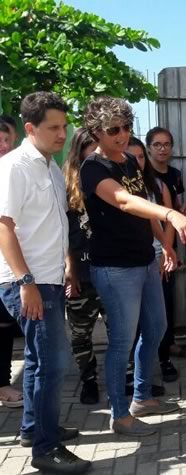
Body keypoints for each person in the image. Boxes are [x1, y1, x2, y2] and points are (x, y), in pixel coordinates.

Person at [80, 97, 186, 436]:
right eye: (113, 130)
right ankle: (119, 416)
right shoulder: (93, 168)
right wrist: (172, 214)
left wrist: (164, 245)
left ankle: (142, 397)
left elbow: (144, 207)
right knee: (121, 341)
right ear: (96, 132)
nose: (122, 135)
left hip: (146, 260)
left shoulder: (129, 162)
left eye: (126, 127)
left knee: (157, 328)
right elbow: (123, 200)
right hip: (116, 268)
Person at [0, 91, 91, 472]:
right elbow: (4, 228)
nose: (62, 133)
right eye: (53, 127)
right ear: (30, 128)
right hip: (28, 281)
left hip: (49, 278)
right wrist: (26, 281)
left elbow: (53, 225)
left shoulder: (51, 166)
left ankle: (35, 429)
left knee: (39, 360)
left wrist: (67, 264)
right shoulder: (15, 167)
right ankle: (46, 449)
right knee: (54, 363)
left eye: (64, 125)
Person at [125, 137, 175, 390]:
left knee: (160, 318)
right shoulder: (117, 188)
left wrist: (167, 251)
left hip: (157, 259)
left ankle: (164, 361)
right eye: (130, 156)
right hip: (131, 263)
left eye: (141, 157)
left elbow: (169, 220)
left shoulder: (156, 185)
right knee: (133, 323)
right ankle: (134, 375)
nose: (136, 162)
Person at [62, 128, 106, 405]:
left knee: (121, 329)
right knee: (80, 333)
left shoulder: (111, 176)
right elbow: (61, 231)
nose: (97, 152)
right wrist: (69, 270)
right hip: (80, 270)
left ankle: (125, 377)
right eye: (91, 147)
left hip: (111, 267)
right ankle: (88, 378)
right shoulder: (66, 184)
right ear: (80, 151)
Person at [146, 126, 186, 379]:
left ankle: (168, 345)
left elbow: (173, 209)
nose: (163, 149)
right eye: (157, 145)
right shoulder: (143, 175)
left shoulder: (174, 175)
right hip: (147, 245)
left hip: (168, 243)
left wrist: (182, 210)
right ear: (149, 147)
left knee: (167, 299)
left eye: (167, 144)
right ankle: (155, 353)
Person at [0, 118, 23, 410]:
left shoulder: (11, 172)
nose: (5, 147)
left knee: (4, 326)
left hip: (7, 267)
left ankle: (3, 384)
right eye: (0, 140)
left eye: (9, 140)